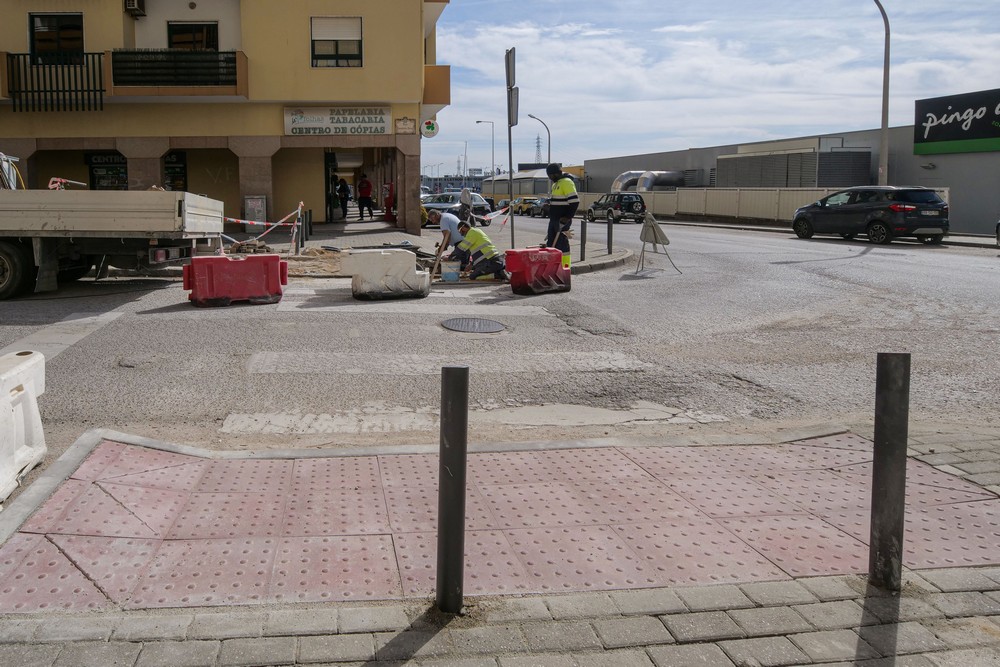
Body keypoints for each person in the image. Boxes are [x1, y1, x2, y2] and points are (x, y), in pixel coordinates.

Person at [544, 163, 579, 256]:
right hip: (554, 219)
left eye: (549, 176)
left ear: (554, 174)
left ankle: (565, 265)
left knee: (561, 244)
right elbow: (558, 200)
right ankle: (554, 265)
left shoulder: (567, 182)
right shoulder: (555, 184)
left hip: (562, 220)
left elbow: (575, 202)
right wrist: (549, 205)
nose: (550, 178)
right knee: (551, 243)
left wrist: (567, 217)